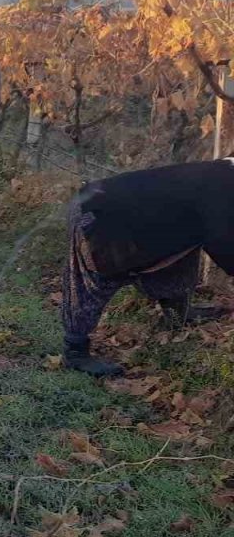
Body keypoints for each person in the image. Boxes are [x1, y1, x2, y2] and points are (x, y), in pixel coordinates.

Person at [60, 161, 233, 377]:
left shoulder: (222, 173)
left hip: (151, 218)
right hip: (101, 214)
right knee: (96, 281)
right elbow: (222, 242)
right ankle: (75, 351)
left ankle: (178, 314)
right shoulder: (223, 187)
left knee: (180, 259)